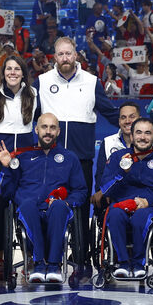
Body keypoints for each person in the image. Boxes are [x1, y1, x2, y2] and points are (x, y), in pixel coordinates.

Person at [35, 36, 119, 271]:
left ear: (76, 55)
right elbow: (25, 111)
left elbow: (110, 113)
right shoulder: (41, 81)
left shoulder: (92, 82)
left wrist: (133, 122)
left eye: (68, 53)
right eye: (60, 54)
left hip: (81, 158)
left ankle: (81, 258)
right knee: (48, 204)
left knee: (80, 207)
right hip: (50, 157)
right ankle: (46, 255)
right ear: (54, 57)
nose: (65, 58)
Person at [0, 113, 87, 283]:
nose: (48, 132)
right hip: (29, 209)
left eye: (52, 128)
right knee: (27, 205)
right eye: (44, 127)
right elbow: (6, 192)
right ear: (36, 129)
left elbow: (80, 191)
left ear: (58, 131)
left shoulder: (69, 157)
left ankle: (53, 265)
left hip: (56, 210)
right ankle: (37, 264)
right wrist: (8, 168)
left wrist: (67, 202)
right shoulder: (21, 157)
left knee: (59, 207)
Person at [100, 117, 153, 278]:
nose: (143, 137)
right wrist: (122, 173)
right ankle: (122, 263)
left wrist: (149, 202)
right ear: (131, 135)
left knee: (141, 217)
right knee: (114, 214)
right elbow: (105, 189)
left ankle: (138, 263)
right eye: (139, 132)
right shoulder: (118, 158)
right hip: (121, 206)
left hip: (150, 208)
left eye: (147, 133)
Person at [0, 55, 36, 278]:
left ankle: (30, 257)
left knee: (27, 205)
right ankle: (0, 261)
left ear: (23, 73)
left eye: (17, 69)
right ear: (3, 73)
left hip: (25, 157)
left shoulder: (35, 94)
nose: (13, 72)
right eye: (8, 69)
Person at [92, 102, 140, 211]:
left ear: (140, 119)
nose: (127, 121)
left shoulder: (148, 142)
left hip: (140, 194)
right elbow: (100, 173)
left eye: (132, 117)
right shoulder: (108, 142)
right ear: (119, 121)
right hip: (114, 193)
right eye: (123, 117)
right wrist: (103, 191)